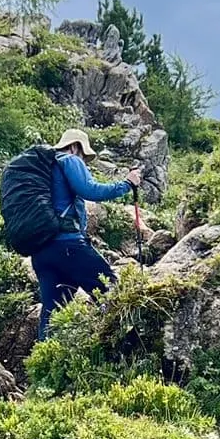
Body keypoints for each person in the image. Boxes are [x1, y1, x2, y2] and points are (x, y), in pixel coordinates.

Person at [32, 129, 142, 340]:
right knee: (112, 291)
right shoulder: (70, 160)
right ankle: (129, 348)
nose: (84, 161)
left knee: (52, 311)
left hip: (41, 251)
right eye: (84, 156)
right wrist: (127, 184)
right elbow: (90, 191)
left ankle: (41, 361)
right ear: (76, 147)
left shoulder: (44, 169)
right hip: (68, 246)